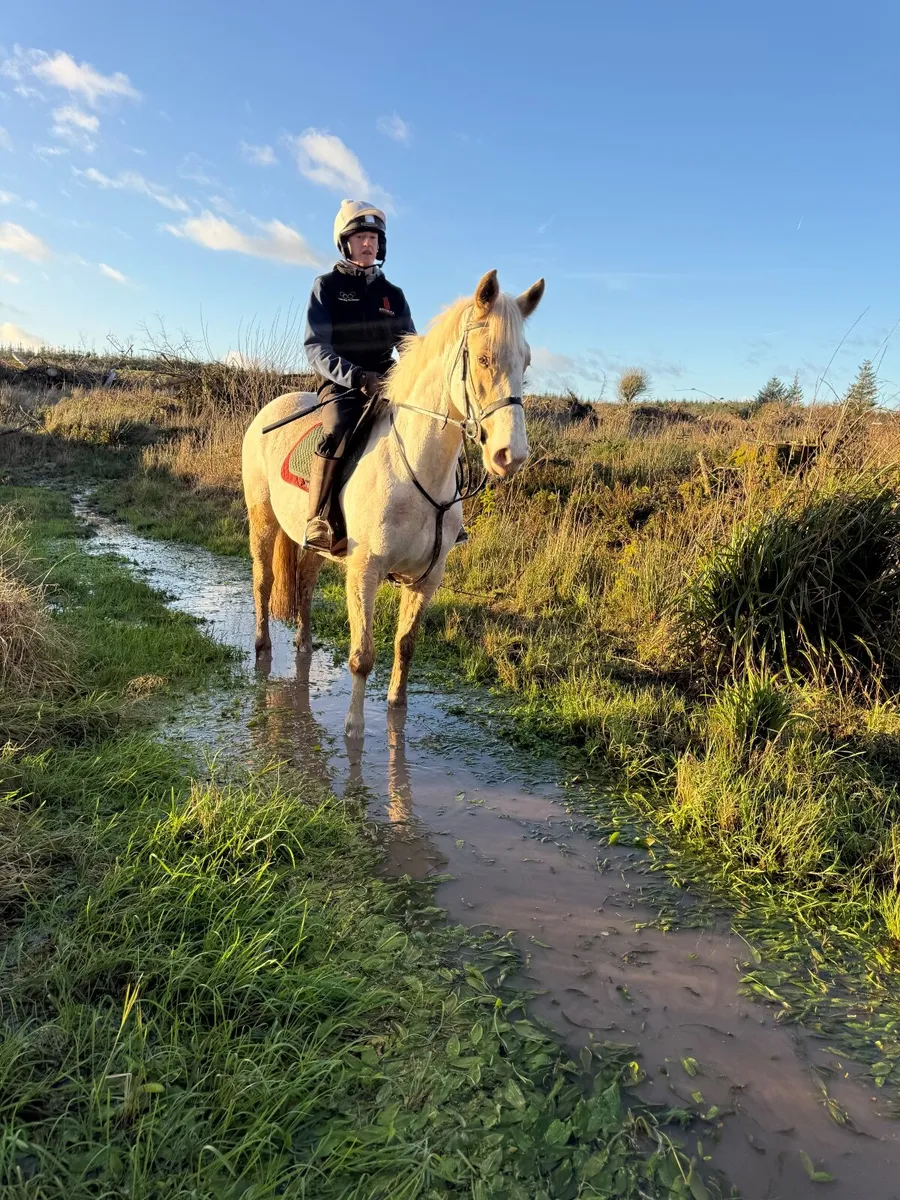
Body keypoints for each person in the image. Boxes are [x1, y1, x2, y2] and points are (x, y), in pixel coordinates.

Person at [301, 200, 416, 553]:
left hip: (387, 386)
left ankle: (439, 520)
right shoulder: (327, 287)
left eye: (373, 238)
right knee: (336, 429)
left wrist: (407, 377)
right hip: (342, 386)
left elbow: (409, 347)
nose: (368, 244)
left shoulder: (393, 296)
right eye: (360, 237)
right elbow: (316, 347)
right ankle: (319, 519)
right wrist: (356, 377)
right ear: (345, 242)